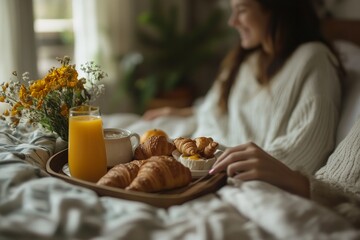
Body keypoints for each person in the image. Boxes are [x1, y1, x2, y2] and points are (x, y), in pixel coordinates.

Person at [139, 0, 344, 175]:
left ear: (277, 8)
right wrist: (181, 112)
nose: (232, 21)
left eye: (242, 9)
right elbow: (215, 110)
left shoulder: (313, 58)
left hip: (224, 165)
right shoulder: (247, 60)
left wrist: (233, 163)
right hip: (205, 154)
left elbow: (307, 148)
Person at [209, 117, 360, 227]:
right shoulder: (234, 75)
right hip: (232, 179)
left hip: (305, 201)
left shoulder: (314, 75)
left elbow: (299, 154)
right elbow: (208, 120)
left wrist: (301, 184)